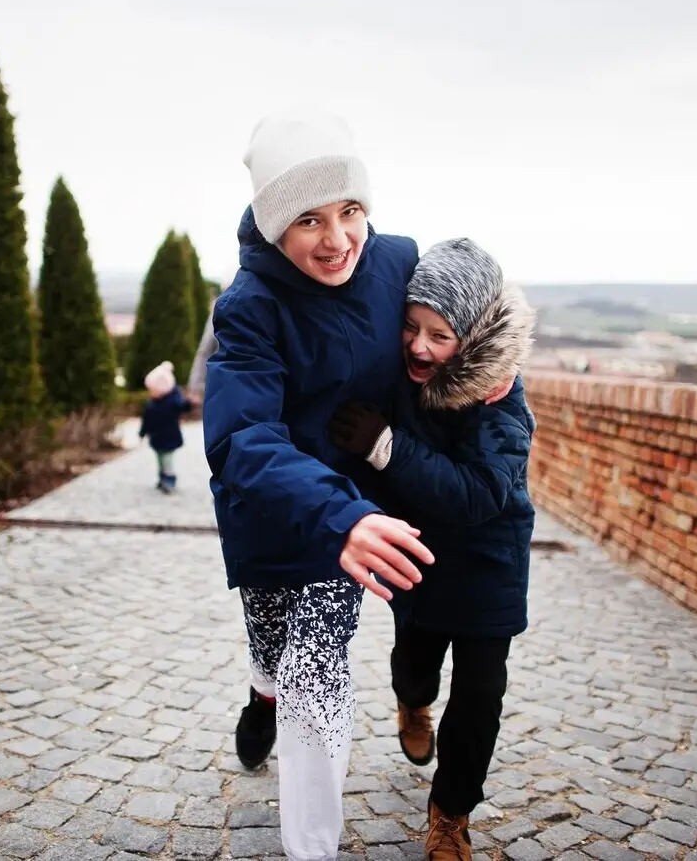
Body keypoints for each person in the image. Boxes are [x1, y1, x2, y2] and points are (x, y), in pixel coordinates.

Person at [203, 110, 436, 861]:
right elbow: (242, 438)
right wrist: (332, 516)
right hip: (273, 510)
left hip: (353, 515)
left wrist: (495, 396)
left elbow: (456, 341)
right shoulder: (248, 307)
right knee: (272, 646)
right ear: (274, 224)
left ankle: (312, 849)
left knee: (314, 670)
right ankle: (257, 692)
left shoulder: (399, 262)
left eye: (350, 210)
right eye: (308, 218)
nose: (338, 239)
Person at [328, 238, 536, 861]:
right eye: (412, 328)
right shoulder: (400, 377)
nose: (420, 346)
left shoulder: (501, 406)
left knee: (478, 696)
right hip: (417, 557)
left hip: (487, 567)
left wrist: (387, 449)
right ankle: (411, 703)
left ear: (471, 339)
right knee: (414, 665)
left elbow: (476, 494)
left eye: (439, 335)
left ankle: (451, 815)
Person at [139, 361, 194, 492]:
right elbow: (146, 420)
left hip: (170, 436)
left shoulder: (173, 401)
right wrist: (142, 432)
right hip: (156, 437)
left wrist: (190, 403)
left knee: (167, 459)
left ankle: (169, 480)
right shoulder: (151, 404)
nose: (151, 392)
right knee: (160, 459)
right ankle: (162, 477)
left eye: (153, 390)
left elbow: (182, 406)